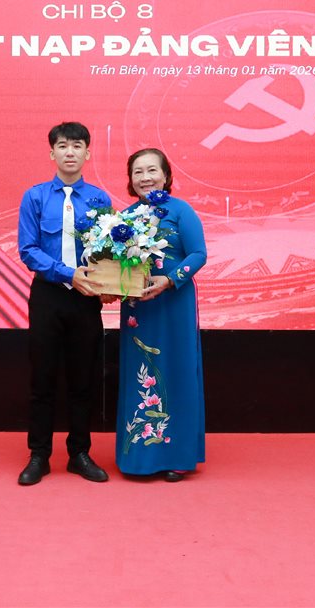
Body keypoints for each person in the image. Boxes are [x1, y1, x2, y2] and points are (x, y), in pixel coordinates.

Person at [16, 121, 113, 486]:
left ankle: (79, 453)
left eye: (76, 146)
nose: (69, 152)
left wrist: (109, 283)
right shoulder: (35, 197)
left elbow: (109, 250)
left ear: (88, 153)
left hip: (86, 299)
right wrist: (67, 274)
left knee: (83, 379)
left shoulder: (100, 200)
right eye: (62, 146)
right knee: (42, 378)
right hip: (48, 295)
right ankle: (39, 455)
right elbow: (28, 250)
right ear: (51, 153)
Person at [115, 148, 207, 481]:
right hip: (139, 307)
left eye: (152, 170)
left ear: (166, 175)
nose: (145, 177)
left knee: (177, 371)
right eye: (138, 172)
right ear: (130, 179)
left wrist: (169, 280)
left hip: (174, 303)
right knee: (141, 373)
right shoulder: (123, 218)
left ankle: (178, 456)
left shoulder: (181, 211)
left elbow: (198, 254)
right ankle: (139, 458)